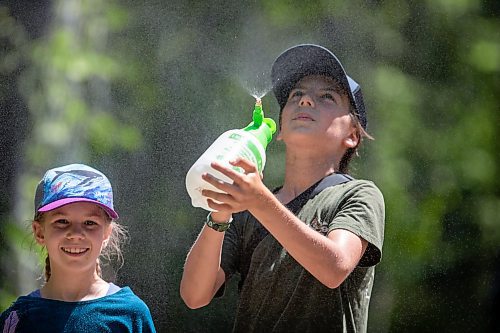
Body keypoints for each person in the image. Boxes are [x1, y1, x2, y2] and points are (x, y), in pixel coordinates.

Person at [180, 44, 385, 332]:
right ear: (279, 129)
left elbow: (334, 267)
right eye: (296, 95)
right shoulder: (247, 207)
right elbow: (194, 295)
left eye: (327, 97)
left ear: (352, 135)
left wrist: (259, 200)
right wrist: (220, 213)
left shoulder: (358, 194)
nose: (305, 101)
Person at [0, 163, 156, 332]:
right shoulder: (18, 318)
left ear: (106, 233)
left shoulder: (130, 314)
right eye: (62, 221)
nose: (75, 234)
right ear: (39, 232)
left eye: (90, 223)